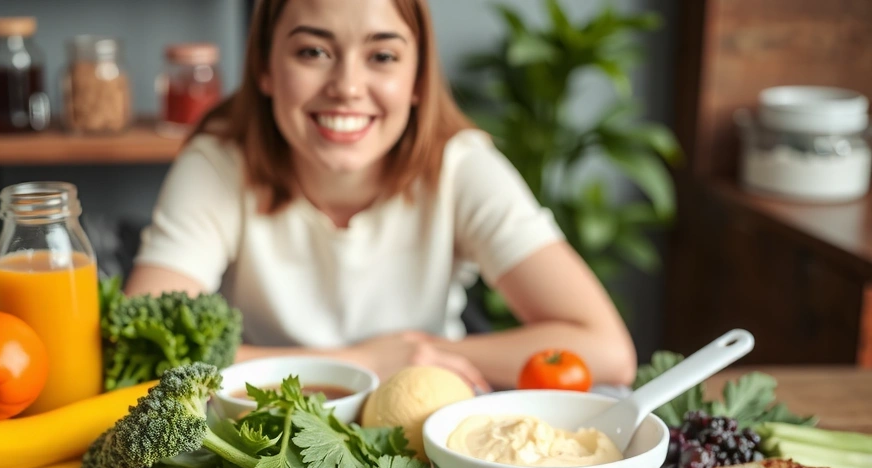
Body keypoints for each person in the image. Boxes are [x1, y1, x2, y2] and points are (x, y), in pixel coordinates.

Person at [125, 0, 637, 391]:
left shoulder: (459, 167)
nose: (347, 85)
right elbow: (142, 349)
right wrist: (366, 363)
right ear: (264, 68)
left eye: (382, 55)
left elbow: (607, 351)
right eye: (313, 52)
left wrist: (419, 354)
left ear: (417, 79)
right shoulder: (218, 163)